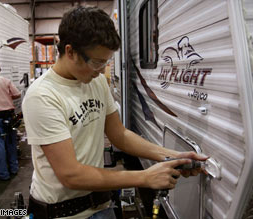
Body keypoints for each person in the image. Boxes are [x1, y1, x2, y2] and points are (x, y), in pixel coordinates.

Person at [22, 6, 208, 219]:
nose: (102, 70)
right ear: (70, 51)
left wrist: (172, 156)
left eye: (106, 62)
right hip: (63, 213)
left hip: (101, 206)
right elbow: (71, 174)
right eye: (97, 62)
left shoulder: (97, 82)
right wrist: (144, 177)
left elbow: (120, 135)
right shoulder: (43, 95)